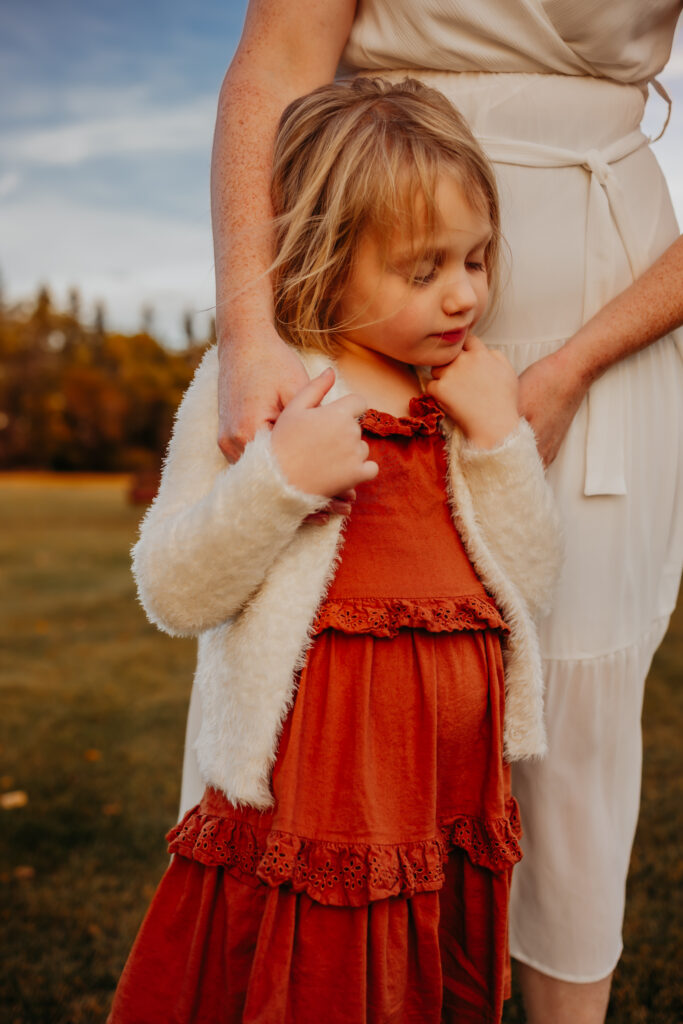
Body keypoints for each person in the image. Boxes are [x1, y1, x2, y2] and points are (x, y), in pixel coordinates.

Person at [198, 4, 683, 1022]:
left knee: (572, 721)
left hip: (600, 324)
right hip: (344, 288)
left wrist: (571, 366)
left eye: (472, 269)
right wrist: (251, 330)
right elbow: (278, 61)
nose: (465, 296)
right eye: (443, 275)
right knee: (314, 705)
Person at [108, 78, 562, 1023]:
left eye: (475, 258)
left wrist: (500, 443)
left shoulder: (457, 389)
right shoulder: (269, 386)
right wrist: (278, 479)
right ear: (326, 254)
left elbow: (530, 578)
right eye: (423, 267)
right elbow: (172, 588)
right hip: (321, 789)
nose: (465, 292)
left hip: (441, 786)